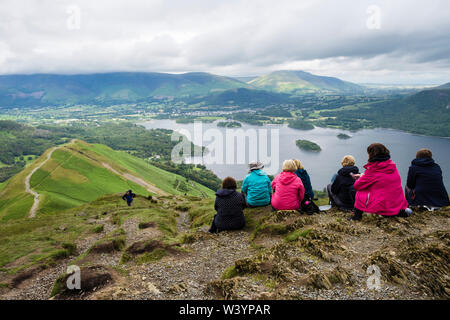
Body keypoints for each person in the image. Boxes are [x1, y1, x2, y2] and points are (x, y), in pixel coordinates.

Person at [349, 143, 412, 221]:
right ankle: (399, 212)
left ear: (371, 154)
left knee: (361, 191)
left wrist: (359, 178)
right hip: (396, 205)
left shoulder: (373, 169)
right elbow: (381, 179)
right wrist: (363, 176)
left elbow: (357, 185)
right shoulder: (391, 165)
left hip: (382, 207)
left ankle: (356, 216)